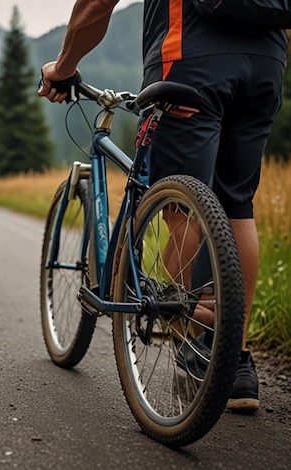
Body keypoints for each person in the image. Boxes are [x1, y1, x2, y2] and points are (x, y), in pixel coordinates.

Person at [39, 0, 288, 412]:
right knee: (236, 205)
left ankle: (197, 353)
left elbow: (97, 4)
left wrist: (63, 67)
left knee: (181, 201)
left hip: (190, 60)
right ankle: (237, 362)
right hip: (267, 62)